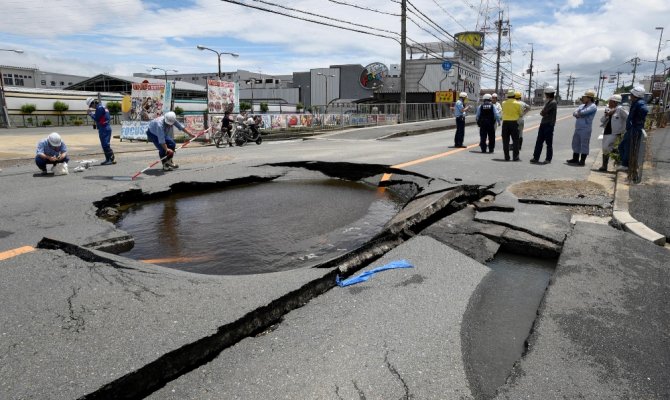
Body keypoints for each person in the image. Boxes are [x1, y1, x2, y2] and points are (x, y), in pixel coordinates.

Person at [617, 86, 649, 170]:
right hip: (632, 128)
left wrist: (637, 121)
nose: (630, 96)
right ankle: (626, 164)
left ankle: (625, 165)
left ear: (635, 95)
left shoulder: (640, 103)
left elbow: (644, 110)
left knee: (627, 146)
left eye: (631, 94)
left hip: (635, 128)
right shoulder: (637, 102)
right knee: (623, 146)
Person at [566, 89, 598, 166]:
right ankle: (575, 159)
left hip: (586, 128)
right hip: (578, 127)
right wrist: (579, 113)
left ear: (589, 98)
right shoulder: (582, 105)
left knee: (584, 144)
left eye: (584, 97)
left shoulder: (593, 106)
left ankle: (582, 160)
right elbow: (574, 113)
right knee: (575, 143)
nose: (583, 98)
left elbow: (583, 113)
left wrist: (579, 113)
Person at [598, 94, 628, 171]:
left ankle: (619, 159)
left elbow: (628, 117)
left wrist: (624, 129)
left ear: (614, 102)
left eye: (610, 101)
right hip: (607, 131)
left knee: (607, 148)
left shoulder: (621, 109)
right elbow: (602, 120)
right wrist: (607, 115)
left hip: (615, 132)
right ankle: (604, 166)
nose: (609, 102)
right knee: (605, 149)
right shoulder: (608, 109)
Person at [530, 86, 558, 164]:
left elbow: (543, 112)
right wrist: (543, 112)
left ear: (548, 94)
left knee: (548, 143)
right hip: (544, 123)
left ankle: (548, 159)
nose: (545, 95)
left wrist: (543, 112)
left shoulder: (552, 102)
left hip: (549, 124)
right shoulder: (549, 102)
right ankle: (536, 157)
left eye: (545, 94)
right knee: (539, 141)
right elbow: (543, 113)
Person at [86, 97, 116, 165]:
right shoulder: (103, 106)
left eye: (91, 105)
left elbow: (96, 118)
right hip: (105, 127)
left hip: (104, 128)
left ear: (93, 102)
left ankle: (111, 159)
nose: (91, 107)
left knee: (105, 145)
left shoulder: (99, 108)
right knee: (104, 145)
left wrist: (90, 114)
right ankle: (108, 159)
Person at [501, 89, 524, 161]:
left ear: (508, 96)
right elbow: (521, 114)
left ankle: (506, 157)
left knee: (505, 141)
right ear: (514, 96)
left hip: (505, 123)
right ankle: (515, 157)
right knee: (515, 140)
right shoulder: (518, 104)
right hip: (514, 123)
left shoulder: (503, 103)